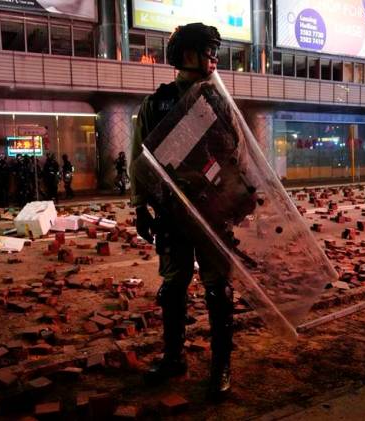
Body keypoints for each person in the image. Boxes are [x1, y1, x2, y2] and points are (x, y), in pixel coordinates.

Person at [130, 23, 234, 400]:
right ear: (188, 55)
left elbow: (233, 153)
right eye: (209, 51)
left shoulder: (218, 101)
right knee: (173, 286)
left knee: (218, 290)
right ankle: (173, 357)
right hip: (172, 211)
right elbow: (140, 159)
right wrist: (140, 207)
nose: (214, 58)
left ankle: (221, 366)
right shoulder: (155, 104)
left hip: (211, 210)